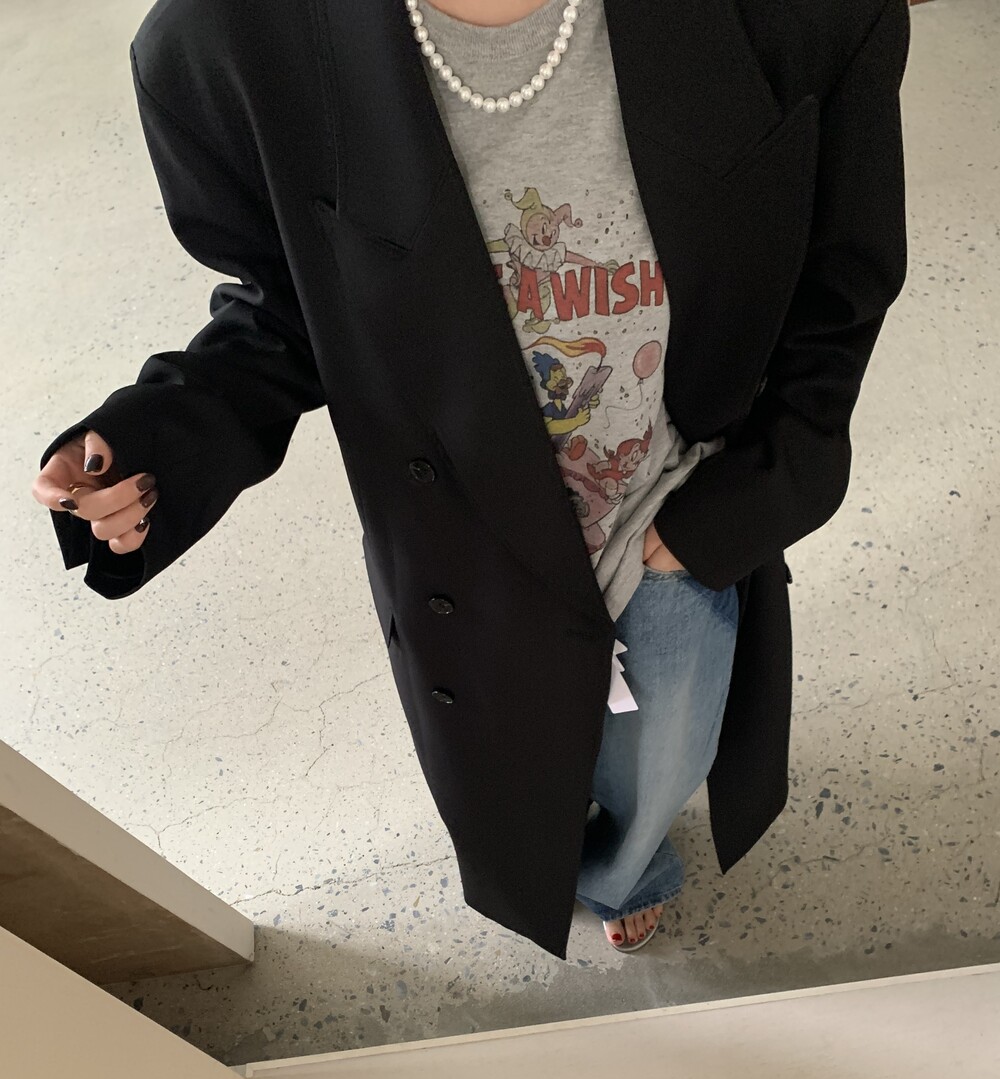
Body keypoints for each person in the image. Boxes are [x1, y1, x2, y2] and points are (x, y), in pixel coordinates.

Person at [30, 0, 910, 959]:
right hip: (463, 532)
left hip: (675, 510)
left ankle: (626, 873)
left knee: (665, 758)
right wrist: (160, 441)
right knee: (512, 768)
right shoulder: (223, 43)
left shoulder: (808, 9)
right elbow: (291, 307)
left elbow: (841, 279)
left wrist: (756, 493)